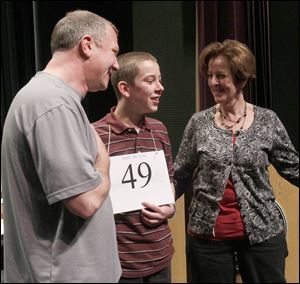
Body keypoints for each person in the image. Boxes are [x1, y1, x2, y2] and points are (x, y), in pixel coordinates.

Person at [1, 10, 122, 283]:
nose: (116, 64)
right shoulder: (51, 103)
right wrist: (104, 163)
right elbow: (85, 201)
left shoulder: (54, 100)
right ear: (87, 45)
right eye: (113, 51)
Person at [173, 39, 299, 283]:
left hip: (262, 235)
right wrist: (157, 203)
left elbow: (293, 167)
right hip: (208, 240)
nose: (212, 82)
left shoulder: (267, 121)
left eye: (221, 76)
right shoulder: (198, 122)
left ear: (241, 79)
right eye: (210, 75)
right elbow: (180, 173)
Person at [93, 51, 176, 283]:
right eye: (150, 81)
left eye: (160, 80)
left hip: (159, 254)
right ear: (125, 89)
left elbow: (170, 176)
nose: (160, 87)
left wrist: (170, 208)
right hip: (119, 261)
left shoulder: (159, 129)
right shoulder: (96, 134)